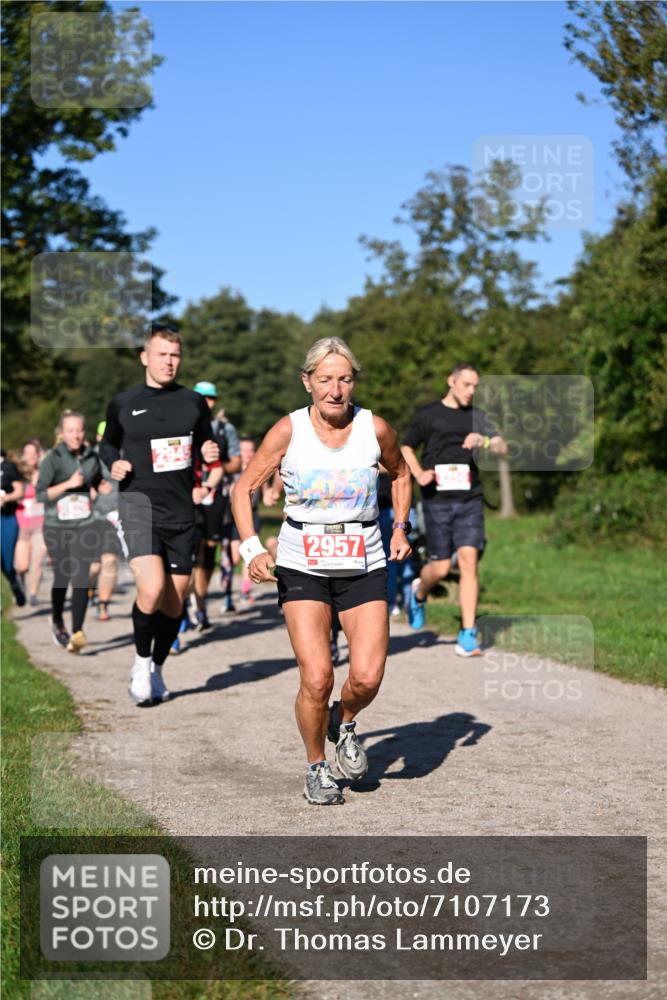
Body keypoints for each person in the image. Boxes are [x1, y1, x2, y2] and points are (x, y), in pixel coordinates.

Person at [232, 336, 412, 805]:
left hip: (364, 558)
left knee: (367, 676)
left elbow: (402, 474)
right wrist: (252, 548)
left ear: (354, 383)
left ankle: (343, 721)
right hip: (303, 563)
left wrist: (400, 530)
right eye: (325, 379)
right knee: (317, 677)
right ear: (307, 382)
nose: (335, 389)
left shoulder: (376, 429)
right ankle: (316, 767)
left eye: (345, 379)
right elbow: (242, 489)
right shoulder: (288, 431)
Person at [99, 323, 219, 706]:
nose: (169, 362)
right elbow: (106, 447)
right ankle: (140, 661)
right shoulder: (123, 402)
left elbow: (206, 444)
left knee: (173, 603)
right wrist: (113, 466)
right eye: (162, 354)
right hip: (138, 506)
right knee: (150, 589)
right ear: (144, 357)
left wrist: (210, 453)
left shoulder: (193, 403)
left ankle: (157, 668)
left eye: (175, 355)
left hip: (182, 512)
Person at [401, 362, 507, 657]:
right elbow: (406, 447)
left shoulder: (477, 417)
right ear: (452, 381)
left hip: (470, 499)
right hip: (437, 500)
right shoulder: (429, 415)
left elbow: (502, 446)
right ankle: (419, 592)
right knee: (442, 567)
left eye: (476, 387)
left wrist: (484, 440)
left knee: (469, 561)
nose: (472, 391)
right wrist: (419, 473)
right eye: (467, 385)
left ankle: (468, 634)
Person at [36, 411, 108, 650]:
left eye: (79, 430)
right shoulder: (52, 459)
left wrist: (100, 485)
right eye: (70, 431)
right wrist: (68, 484)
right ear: (62, 433)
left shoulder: (91, 456)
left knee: (81, 576)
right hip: (57, 526)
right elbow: (40, 494)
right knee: (63, 576)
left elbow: (94, 479)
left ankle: (77, 632)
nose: (75, 435)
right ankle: (57, 620)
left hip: (84, 524)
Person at [190, 383, 240, 630]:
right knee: (188, 552)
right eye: (202, 398)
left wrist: (215, 465)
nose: (207, 403)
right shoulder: (183, 425)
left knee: (208, 553)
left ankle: (200, 602)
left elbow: (237, 463)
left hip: (214, 497)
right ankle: (187, 604)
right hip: (187, 496)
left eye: (210, 399)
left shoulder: (223, 428)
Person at [88, 421, 121, 622]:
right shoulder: (90, 457)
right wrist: (93, 488)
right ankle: (90, 588)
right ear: (99, 438)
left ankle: (103, 605)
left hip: (117, 516)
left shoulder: (126, 454)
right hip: (95, 516)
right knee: (93, 567)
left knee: (110, 560)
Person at [14, 439, 47, 605]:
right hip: (22, 524)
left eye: (34, 453)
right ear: (23, 455)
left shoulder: (45, 472)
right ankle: (20, 583)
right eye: (27, 453)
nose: (31, 457)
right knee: (22, 565)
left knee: (37, 561)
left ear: (38, 454)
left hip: (41, 524)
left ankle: (33, 593)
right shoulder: (18, 474)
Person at [1, 449, 26, 605]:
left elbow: (20, 491)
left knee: (8, 564)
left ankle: (15, 585)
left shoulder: (8, 467)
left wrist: (6, 498)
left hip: (6, 518)